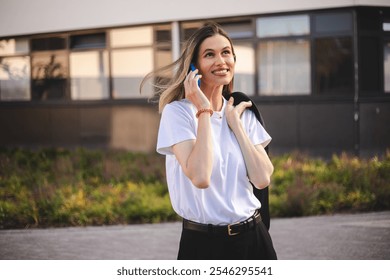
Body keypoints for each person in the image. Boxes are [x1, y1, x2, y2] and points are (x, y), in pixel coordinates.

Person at [141, 22, 277, 260]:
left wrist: (237, 127)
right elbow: (201, 177)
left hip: (254, 240)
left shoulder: (241, 110)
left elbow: (262, 178)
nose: (221, 61)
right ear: (195, 66)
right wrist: (204, 110)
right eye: (209, 55)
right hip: (204, 245)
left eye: (226, 52)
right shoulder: (178, 113)